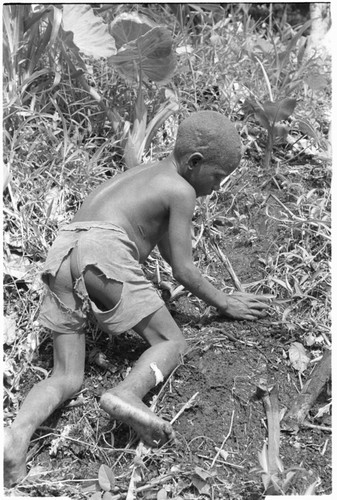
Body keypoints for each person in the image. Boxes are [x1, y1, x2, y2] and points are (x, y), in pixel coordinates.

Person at [4, 111, 272, 487]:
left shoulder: (146, 175)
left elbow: (161, 245)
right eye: (218, 176)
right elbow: (183, 269)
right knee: (171, 341)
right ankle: (127, 393)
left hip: (64, 249)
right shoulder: (182, 190)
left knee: (67, 376)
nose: (218, 186)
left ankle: (16, 438)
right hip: (102, 251)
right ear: (195, 163)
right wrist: (226, 302)